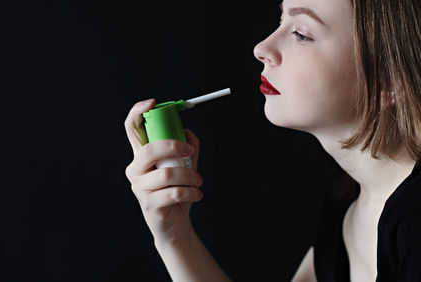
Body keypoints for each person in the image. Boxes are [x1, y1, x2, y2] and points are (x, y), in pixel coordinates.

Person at [123, 0, 421, 280]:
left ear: (389, 80)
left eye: (301, 34)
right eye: (281, 19)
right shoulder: (350, 201)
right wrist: (175, 236)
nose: (261, 47)